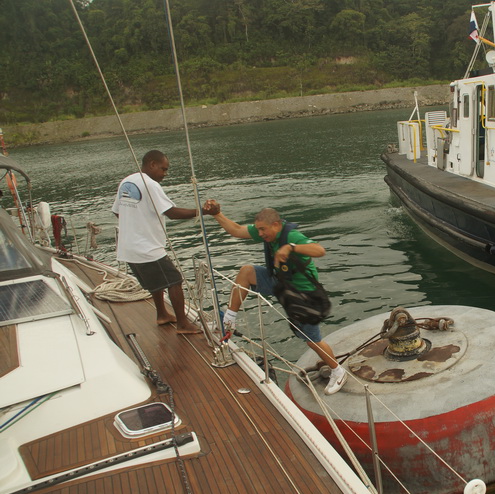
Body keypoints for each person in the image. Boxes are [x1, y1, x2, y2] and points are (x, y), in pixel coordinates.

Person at [204, 201, 347, 395]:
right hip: (279, 282)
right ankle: (229, 319)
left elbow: (319, 250)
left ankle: (338, 371)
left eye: (263, 229)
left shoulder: (292, 236)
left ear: (276, 225)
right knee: (247, 272)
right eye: (258, 230)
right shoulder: (266, 232)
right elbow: (236, 230)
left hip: (302, 293)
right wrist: (217, 214)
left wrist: (290, 248)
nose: (260, 234)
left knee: (311, 339)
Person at [112, 149, 216, 334]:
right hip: (146, 247)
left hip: (128, 247)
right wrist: (203, 211)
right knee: (174, 280)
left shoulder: (127, 181)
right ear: (152, 164)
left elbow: (117, 211)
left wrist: (136, 221)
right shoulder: (150, 184)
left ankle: (162, 315)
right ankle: (183, 324)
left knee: (156, 282)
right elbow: (172, 213)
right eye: (163, 169)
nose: (165, 174)